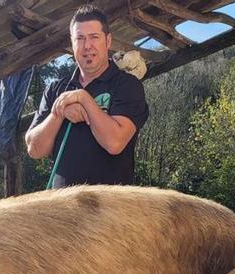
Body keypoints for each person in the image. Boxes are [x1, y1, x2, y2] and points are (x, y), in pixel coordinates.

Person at [25, 5, 149, 188]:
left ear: (108, 41)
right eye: (80, 38)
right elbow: (34, 149)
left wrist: (83, 98)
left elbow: (114, 143)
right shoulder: (55, 89)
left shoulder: (126, 85)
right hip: (63, 209)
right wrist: (58, 113)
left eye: (94, 37)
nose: (87, 45)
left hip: (109, 209)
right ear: (72, 43)